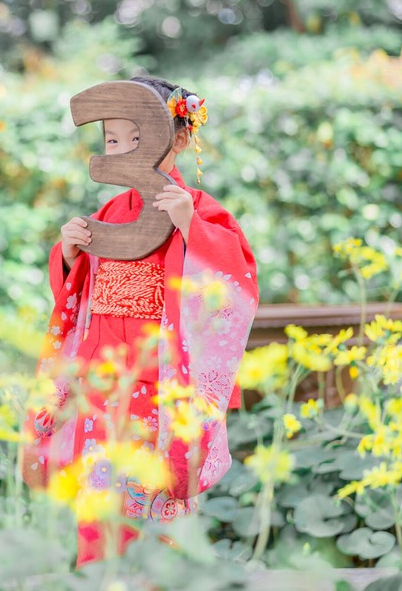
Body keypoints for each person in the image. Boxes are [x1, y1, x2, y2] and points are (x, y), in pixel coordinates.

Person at [22, 76, 259, 568]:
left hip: (159, 389)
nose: (124, 150)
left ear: (179, 137)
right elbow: (80, 293)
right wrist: (67, 256)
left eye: (139, 139)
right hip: (101, 386)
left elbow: (232, 285)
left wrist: (192, 227)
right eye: (113, 141)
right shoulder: (109, 211)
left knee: (157, 514)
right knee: (98, 510)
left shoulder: (203, 212)